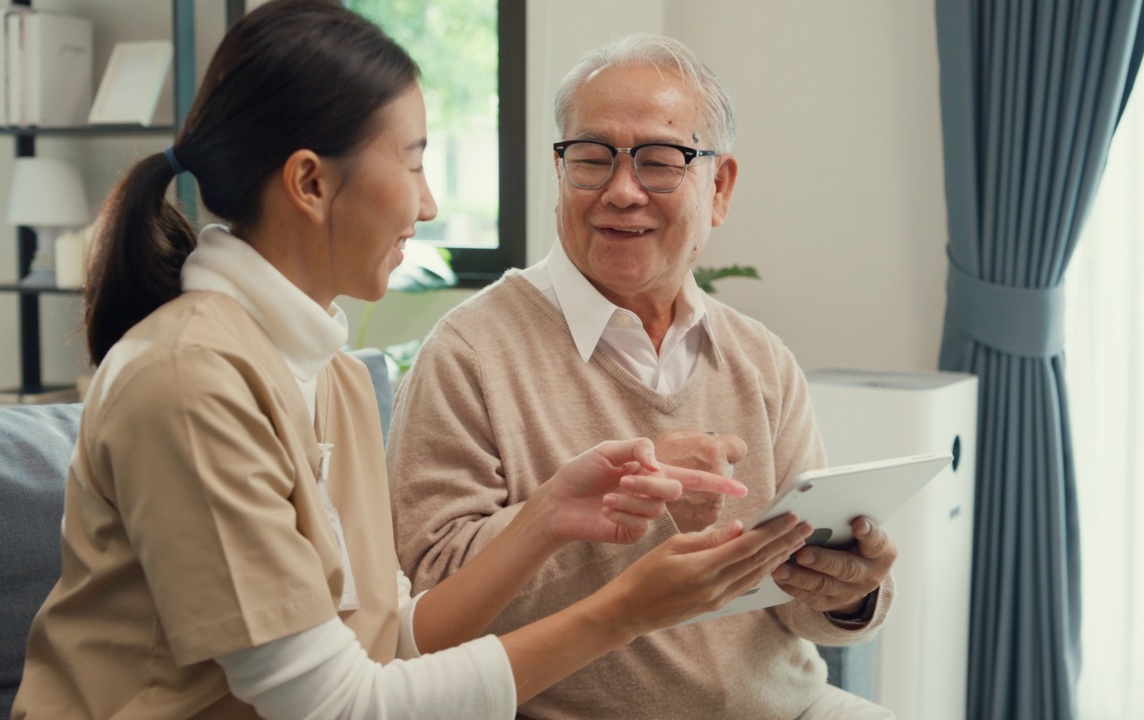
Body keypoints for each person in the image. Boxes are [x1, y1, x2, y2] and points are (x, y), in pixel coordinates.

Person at [10, 4, 815, 718]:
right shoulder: (189, 382)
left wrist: (549, 516)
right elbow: (335, 704)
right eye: (414, 161)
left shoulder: (333, 377)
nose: (429, 205)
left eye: (661, 160)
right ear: (310, 183)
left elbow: (393, 637)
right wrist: (623, 611)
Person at [389, 32, 899, 720]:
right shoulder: (471, 352)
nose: (622, 191)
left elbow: (800, 615)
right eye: (592, 159)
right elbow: (431, 603)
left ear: (719, 187)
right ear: (559, 170)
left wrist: (846, 593)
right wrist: (606, 507)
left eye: (660, 163)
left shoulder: (761, 360)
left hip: (789, 706)